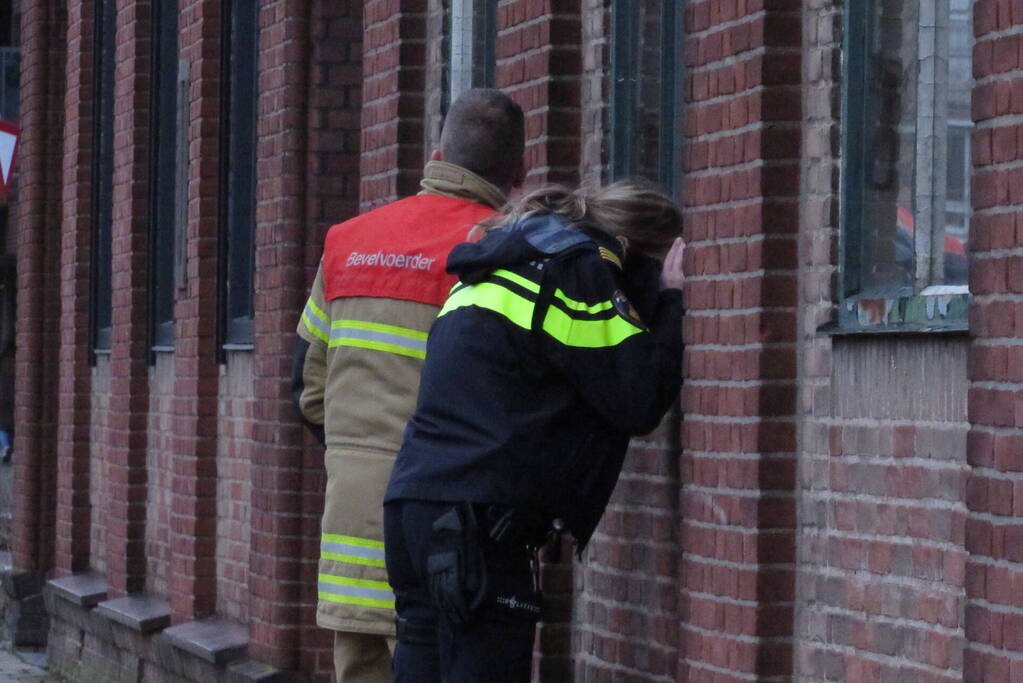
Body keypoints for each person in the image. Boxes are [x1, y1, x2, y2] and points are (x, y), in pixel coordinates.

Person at [382, 181, 687, 682]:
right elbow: (636, 400)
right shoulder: (580, 269)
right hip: (478, 525)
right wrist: (671, 304)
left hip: (414, 511)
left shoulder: (499, 264)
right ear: (635, 252)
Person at [292, 88, 526, 683]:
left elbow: (309, 388)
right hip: (448, 534)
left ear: (438, 153)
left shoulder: (348, 240)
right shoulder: (498, 247)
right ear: (519, 173)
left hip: (352, 526)